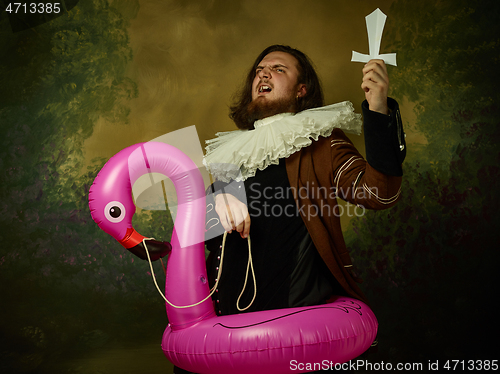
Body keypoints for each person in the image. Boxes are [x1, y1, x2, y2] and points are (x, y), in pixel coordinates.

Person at [173, 44, 405, 374]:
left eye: (278, 69)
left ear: (301, 90)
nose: (263, 73)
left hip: (294, 326)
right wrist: (215, 200)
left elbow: (379, 194)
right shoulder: (228, 153)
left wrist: (378, 109)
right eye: (259, 70)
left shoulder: (322, 141)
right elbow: (201, 239)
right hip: (223, 330)